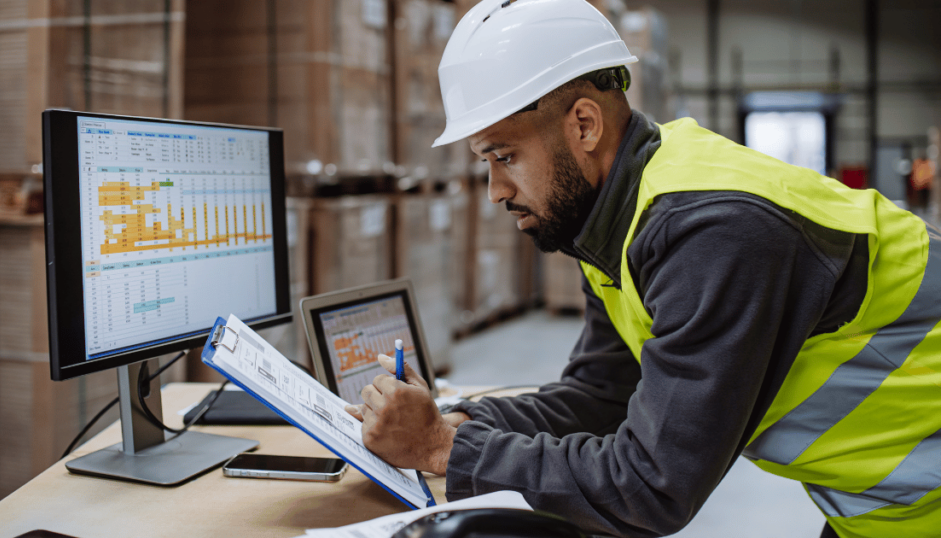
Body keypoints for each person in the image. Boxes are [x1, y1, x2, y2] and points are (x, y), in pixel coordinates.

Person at [343, 1, 941, 536]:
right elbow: (604, 394)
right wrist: (463, 420)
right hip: (886, 506)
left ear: (583, 124)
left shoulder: (712, 231)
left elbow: (652, 485)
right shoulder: (617, 220)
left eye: (505, 156)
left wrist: (445, 449)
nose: (495, 190)